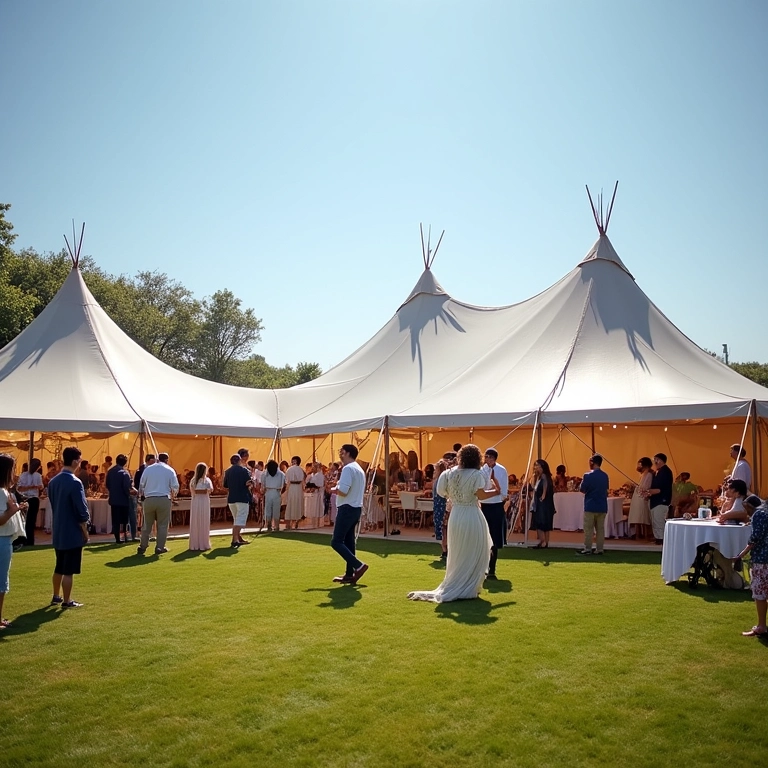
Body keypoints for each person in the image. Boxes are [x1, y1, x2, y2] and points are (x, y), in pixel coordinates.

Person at [408, 444, 498, 602]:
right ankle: (469, 586)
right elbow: (481, 495)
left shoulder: (448, 473)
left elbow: (441, 492)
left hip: (455, 515)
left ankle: (460, 583)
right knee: (474, 550)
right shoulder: (477, 474)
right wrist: (497, 492)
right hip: (471, 514)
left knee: (458, 551)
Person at [48, 447, 90, 608]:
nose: (80, 463)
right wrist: (85, 531)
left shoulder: (54, 481)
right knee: (69, 569)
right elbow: (81, 510)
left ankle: (56, 595)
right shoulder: (74, 482)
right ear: (74, 461)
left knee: (59, 565)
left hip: (59, 528)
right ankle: (67, 600)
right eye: (79, 460)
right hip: (72, 530)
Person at [330, 444, 368, 584]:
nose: (340, 454)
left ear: (347, 453)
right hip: (355, 507)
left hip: (347, 507)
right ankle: (349, 574)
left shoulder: (348, 468)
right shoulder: (358, 469)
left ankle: (358, 565)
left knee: (336, 541)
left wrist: (334, 489)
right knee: (349, 541)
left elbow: (343, 491)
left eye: (342, 451)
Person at [0, 453, 29, 628]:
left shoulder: (4, 491)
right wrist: (14, 509)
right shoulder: (1, 492)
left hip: (5, 538)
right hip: (2, 539)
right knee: (2, 582)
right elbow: (1, 519)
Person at [733, 497, 768, 637]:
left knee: (760, 593)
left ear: (748, 505)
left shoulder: (758, 514)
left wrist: (741, 554)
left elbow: (755, 537)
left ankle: (761, 626)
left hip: (762, 559)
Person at [138, 452, 179, 556]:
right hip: (164, 498)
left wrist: (141, 496)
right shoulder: (170, 470)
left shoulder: (148, 469)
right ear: (166, 460)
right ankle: (160, 547)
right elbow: (175, 486)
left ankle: (143, 545)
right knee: (163, 525)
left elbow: (141, 485)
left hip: (149, 498)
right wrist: (173, 496)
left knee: (147, 524)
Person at [479, 448, 508, 579]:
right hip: (484, 505)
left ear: (495, 458)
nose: (488, 460)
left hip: (496, 505)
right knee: (483, 538)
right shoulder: (482, 470)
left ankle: (492, 569)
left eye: (490, 457)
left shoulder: (502, 470)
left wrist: (494, 483)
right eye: (486, 457)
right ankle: (482, 567)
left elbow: (503, 492)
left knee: (495, 539)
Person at [577, 454, 610, 555]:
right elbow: (606, 489)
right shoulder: (605, 476)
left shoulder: (587, 475)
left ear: (592, 462)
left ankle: (587, 548)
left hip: (590, 505)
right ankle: (599, 549)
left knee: (588, 529)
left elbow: (582, 489)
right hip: (602, 505)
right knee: (600, 529)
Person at [223, 453, 253, 548]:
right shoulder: (244, 470)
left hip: (232, 498)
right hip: (242, 497)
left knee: (236, 519)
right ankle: (235, 540)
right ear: (240, 460)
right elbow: (248, 483)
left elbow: (225, 486)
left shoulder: (227, 471)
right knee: (240, 520)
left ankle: (238, 538)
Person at [105, 454, 135, 543]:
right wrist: (129, 493)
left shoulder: (110, 471)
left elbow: (107, 485)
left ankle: (117, 538)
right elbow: (126, 487)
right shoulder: (125, 473)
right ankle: (125, 536)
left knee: (116, 520)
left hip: (114, 499)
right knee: (124, 520)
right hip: (123, 499)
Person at [645, 453, 673, 545]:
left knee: (659, 521)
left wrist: (649, 491)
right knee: (655, 521)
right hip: (655, 501)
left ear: (661, 460)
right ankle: (658, 538)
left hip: (661, 501)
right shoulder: (658, 472)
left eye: (656, 459)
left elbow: (661, 488)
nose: (654, 462)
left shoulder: (666, 472)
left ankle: (662, 539)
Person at [17, 457, 44, 546]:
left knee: (24, 520)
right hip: (33, 499)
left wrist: (28, 487)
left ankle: (23, 539)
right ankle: (29, 540)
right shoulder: (38, 476)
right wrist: (33, 486)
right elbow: (41, 487)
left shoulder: (23, 475)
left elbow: (19, 488)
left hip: (24, 498)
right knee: (31, 521)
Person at [530, 459, 556, 548]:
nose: (536, 467)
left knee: (540, 523)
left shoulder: (544, 476)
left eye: (538, 466)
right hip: (543, 503)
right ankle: (545, 542)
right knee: (545, 524)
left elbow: (545, 486)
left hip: (542, 503)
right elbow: (533, 487)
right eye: (536, 466)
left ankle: (543, 541)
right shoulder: (538, 477)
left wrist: (543, 495)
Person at [188, 462, 212, 551]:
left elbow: (210, 490)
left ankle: (202, 542)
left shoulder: (206, 480)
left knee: (202, 520)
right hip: (198, 501)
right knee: (197, 520)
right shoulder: (194, 480)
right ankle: (198, 543)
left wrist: (202, 491)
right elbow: (195, 491)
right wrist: (203, 491)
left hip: (201, 500)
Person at [628, 457, 653, 539]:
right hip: (637, 498)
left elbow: (646, 487)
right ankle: (637, 535)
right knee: (636, 517)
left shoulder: (649, 475)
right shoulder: (643, 474)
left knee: (643, 517)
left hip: (642, 499)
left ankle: (645, 535)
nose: (638, 466)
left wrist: (638, 487)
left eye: (639, 464)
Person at [261, 460, 286, 532]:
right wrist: (281, 492)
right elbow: (284, 485)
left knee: (268, 509)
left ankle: (269, 526)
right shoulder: (281, 474)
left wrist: (263, 491)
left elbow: (262, 485)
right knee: (276, 510)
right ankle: (277, 526)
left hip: (268, 492)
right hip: (277, 492)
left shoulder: (265, 474)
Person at [432, 459, 449, 560]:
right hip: (439, 504)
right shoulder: (440, 479)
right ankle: (445, 549)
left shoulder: (441, 480)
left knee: (442, 527)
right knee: (443, 528)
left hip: (440, 505)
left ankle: (445, 550)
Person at [284, 456, 305, 530]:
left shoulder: (290, 469)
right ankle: (294, 522)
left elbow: (287, 480)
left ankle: (291, 523)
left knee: (291, 503)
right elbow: (302, 480)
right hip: (297, 487)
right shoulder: (300, 470)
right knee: (296, 504)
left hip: (293, 487)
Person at [305, 462, 326, 528]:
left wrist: (314, 488)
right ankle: (312, 523)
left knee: (318, 508)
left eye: (314, 467)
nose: (313, 468)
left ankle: (318, 523)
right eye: (312, 467)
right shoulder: (311, 475)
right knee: (312, 508)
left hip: (318, 493)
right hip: (312, 493)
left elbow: (320, 485)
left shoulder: (320, 475)